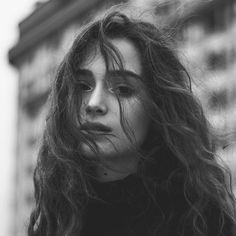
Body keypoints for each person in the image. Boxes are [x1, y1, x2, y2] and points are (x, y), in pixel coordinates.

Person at [28, 6, 236, 236]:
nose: (93, 103)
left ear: (157, 106)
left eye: (122, 89)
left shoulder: (201, 219)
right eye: (82, 87)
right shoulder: (57, 215)